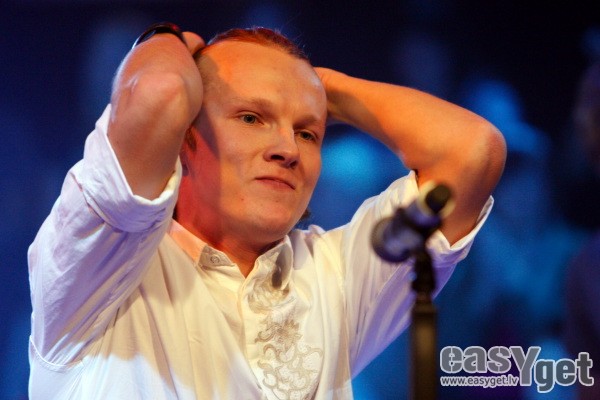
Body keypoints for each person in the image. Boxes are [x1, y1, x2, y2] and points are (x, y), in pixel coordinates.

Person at [27, 23, 506, 399]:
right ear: (184, 135)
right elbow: (158, 92)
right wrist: (169, 37)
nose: (288, 149)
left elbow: (472, 152)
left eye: (307, 132)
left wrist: (323, 88)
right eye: (252, 118)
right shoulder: (101, 266)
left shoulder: (334, 277)